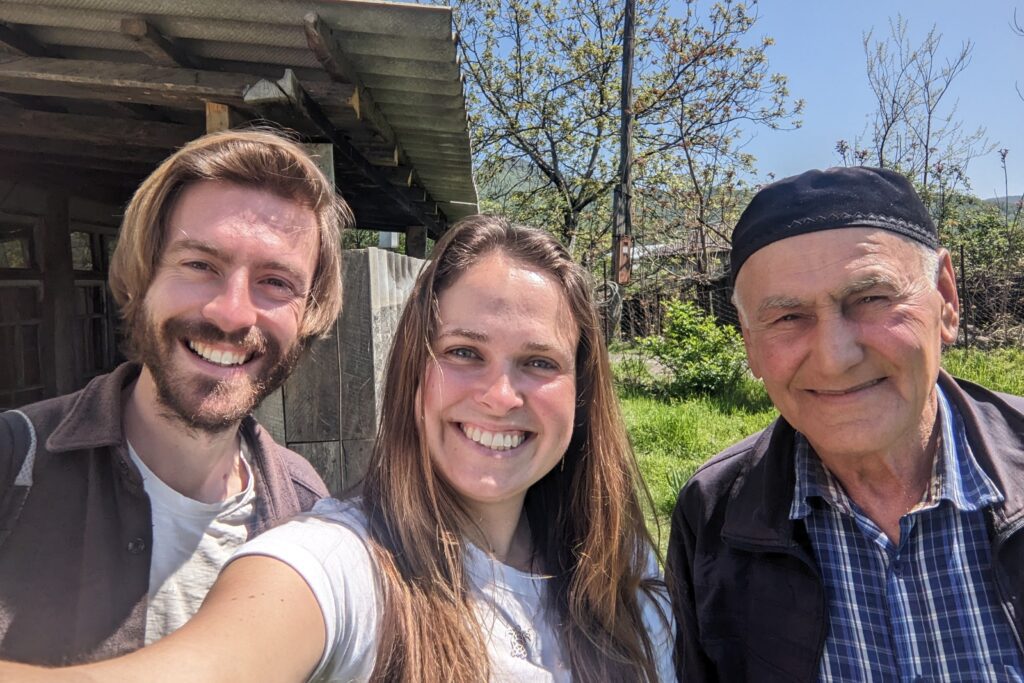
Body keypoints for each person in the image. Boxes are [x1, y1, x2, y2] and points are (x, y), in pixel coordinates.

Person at [0, 215, 675, 682]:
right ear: (412, 373)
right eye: (464, 352)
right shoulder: (337, 561)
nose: (501, 394)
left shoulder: (620, 565)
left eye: (538, 361)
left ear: (583, 390)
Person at [0, 129, 351, 665]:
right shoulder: (12, 462)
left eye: (276, 282)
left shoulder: (307, 512)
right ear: (142, 276)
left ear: (309, 315)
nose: (232, 313)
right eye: (200, 265)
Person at [667, 166, 1024, 682]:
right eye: (787, 317)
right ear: (750, 343)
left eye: (871, 298)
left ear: (945, 298)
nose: (835, 358)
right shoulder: (712, 516)